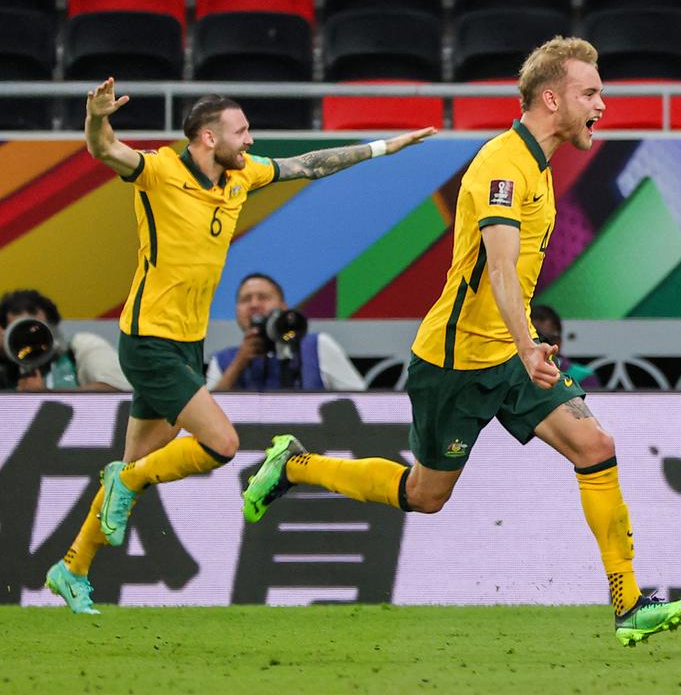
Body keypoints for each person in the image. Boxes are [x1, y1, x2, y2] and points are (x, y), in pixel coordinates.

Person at [239, 38, 681, 646]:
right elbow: (501, 268)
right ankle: (294, 464)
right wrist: (528, 342)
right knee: (426, 494)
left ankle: (629, 603)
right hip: (454, 361)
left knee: (595, 445)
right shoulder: (502, 165)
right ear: (551, 97)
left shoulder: (535, 164)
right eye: (591, 93)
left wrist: (523, 345)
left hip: (509, 354)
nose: (602, 106)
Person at [43, 77, 435, 615]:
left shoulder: (240, 178)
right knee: (220, 445)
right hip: (148, 340)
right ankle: (123, 481)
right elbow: (103, 148)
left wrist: (382, 148)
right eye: (241, 131)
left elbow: (310, 164)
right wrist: (95, 116)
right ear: (207, 137)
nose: (250, 140)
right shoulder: (158, 172)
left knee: (139, 464)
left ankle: (72, 566)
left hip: (187, 343)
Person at [206, 273, 366, 392]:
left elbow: (363, 404)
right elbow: (204, 416)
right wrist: (238, 364)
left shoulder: (317, 346)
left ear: (283, 307)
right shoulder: (222, 361)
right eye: (246, 299)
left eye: (263, 297)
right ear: (237, 311)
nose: (254, 304)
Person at [0, 289, 130, 392]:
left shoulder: (81, 346)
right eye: (20, 333)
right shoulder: (5, 369)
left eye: (37, 329)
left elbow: (120, 390)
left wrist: (43, 396)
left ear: (53, 325)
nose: (31, 339)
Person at [530, 303, 600, 389]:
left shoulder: (584, 377)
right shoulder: (514, 376)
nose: (542, 346)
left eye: (547, 340)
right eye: (534, 341)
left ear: (559, 341)